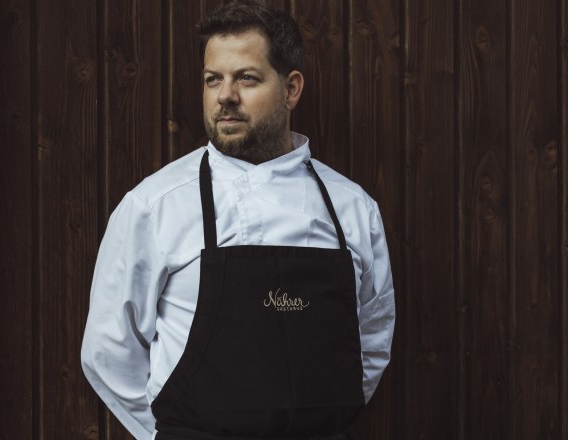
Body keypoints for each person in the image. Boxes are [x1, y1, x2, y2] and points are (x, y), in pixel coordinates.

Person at [81, 1, 395, 439]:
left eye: (246, 78)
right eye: (213, 80)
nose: (225, 95)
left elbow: (373, 337)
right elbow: (108, 349)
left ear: (291, 89)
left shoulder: (352, 209)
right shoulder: (155, 205)